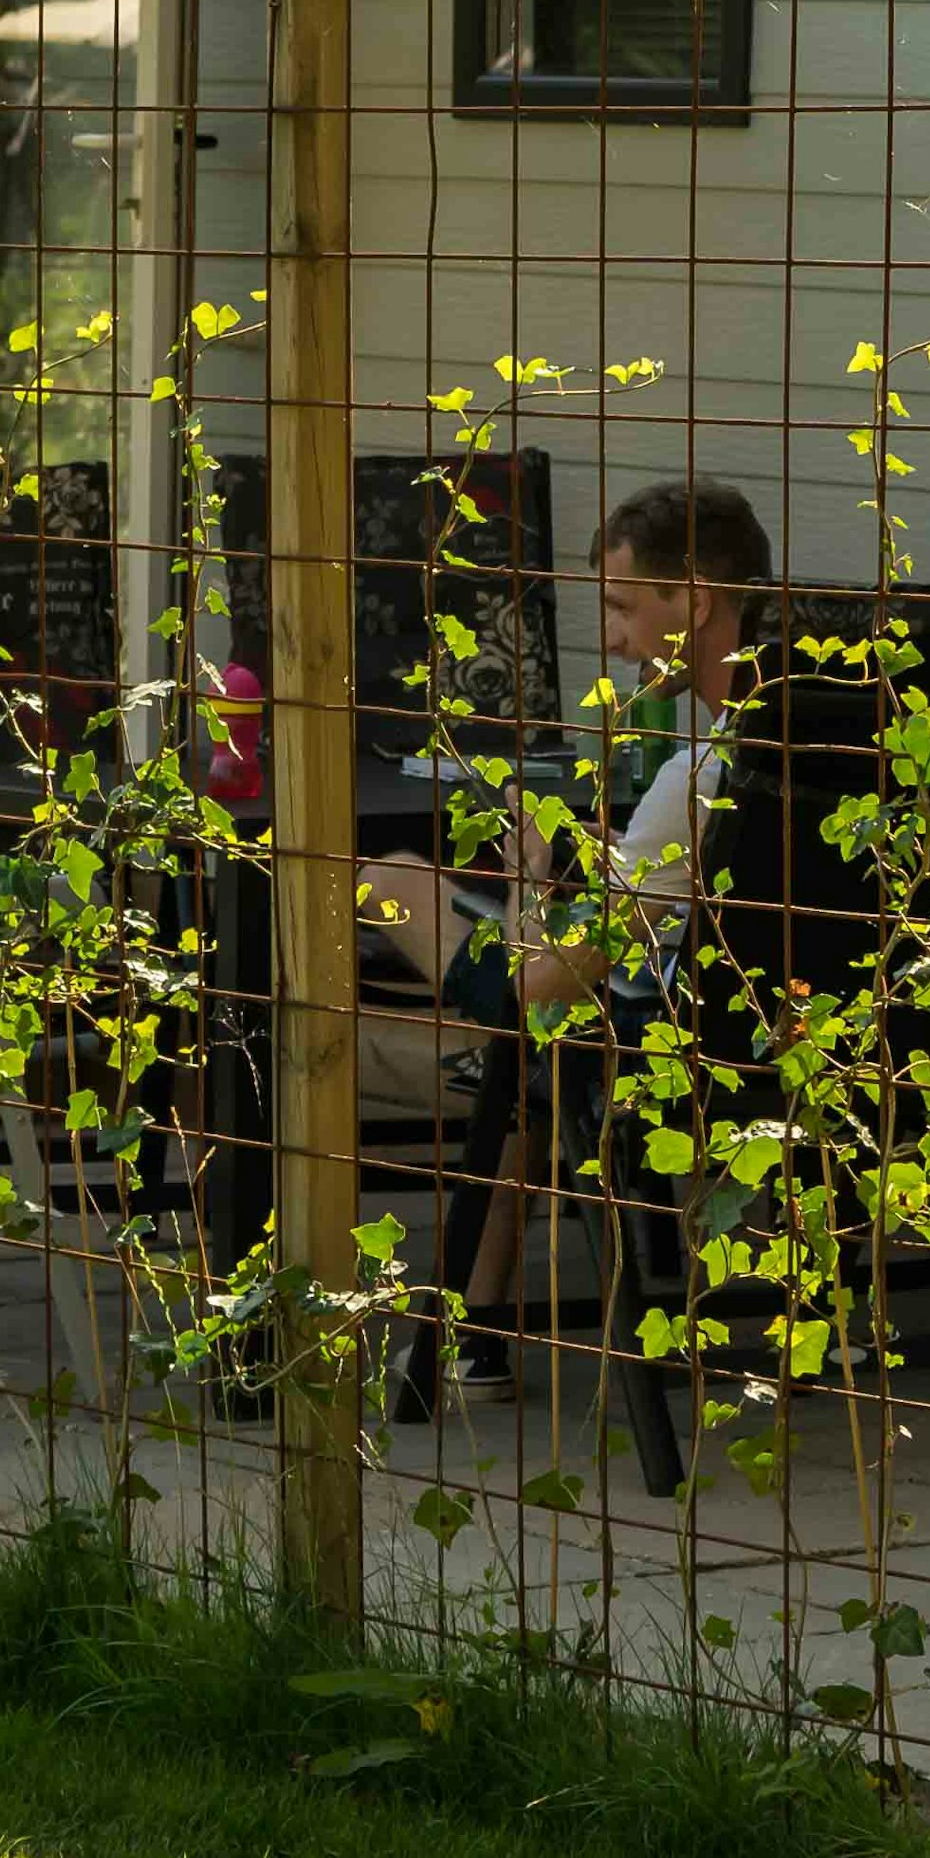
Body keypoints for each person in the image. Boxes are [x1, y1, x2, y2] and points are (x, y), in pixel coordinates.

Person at [357, 477, 771, 1394]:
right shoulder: (832, 741)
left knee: (394, 882)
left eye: (623, 607)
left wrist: (532, 879)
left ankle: (470, 1325)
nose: (613, 639)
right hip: (802, 1033)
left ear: (696, 600)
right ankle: (478, 1330)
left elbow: (540, 990)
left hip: (660, 1046)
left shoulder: (696, 779)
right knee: (523, 1059)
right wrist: (626, 866)